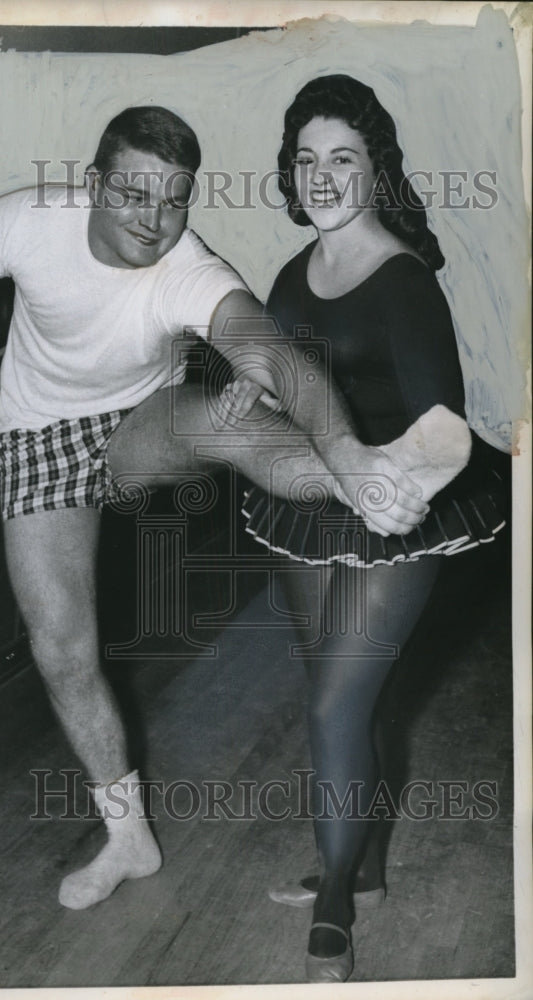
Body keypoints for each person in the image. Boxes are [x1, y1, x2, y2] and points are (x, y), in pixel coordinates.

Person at [0, 105, 432, 913]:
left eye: (172, 199)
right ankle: (127, 836)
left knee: (225, 418)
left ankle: (358, 482)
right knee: (61, 652)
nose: (152, 218)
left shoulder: (189, 267)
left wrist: (347, 455)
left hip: (140, 423)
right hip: (34, 436)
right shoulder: (30, 219)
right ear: (93, 184)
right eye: (133, 192)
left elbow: (270, 353)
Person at [240, 75, 507, 982]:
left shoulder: (402, 280)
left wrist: (396, 491)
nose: (320, 176)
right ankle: (367, 864)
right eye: (306, 160)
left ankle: (335, 900)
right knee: (348, 700)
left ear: (372, 170)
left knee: (331, 708)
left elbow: (443, 427)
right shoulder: (292, 272)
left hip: (401, 516)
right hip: (311, 510)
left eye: (340, 159)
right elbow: (283, 372)